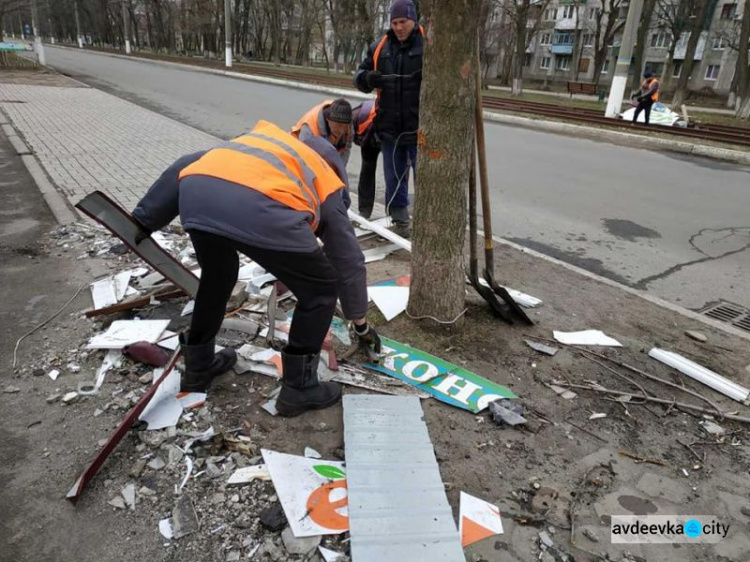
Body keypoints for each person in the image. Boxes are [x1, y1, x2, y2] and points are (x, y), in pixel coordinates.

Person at [131, 120, 381, 417]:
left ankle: (199, 368)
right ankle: (298, 389)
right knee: (320, 290)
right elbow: (348, 261)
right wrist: (359, 322)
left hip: (197, 197)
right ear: (336, 169)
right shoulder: (325, 178)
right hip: (261, 210)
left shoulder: (265, 141)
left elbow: (188, 164)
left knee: (218, 275)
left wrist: (143, 220)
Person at [354, 0, 422, 238]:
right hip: (390, 129)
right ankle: (400, 222)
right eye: (394, 22)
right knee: (394, 179)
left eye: (403, 22)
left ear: (413, 20)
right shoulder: (379, 47)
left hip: (420, 131)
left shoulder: (428, 44)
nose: (399, 27)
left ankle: (426, 226)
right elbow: (359, 76)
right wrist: (368, 79)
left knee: (425, 181)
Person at [292, 98, 353, 165]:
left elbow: (346, 149)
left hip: (326, 150)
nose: (341, 131)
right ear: (328, 119)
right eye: (338, 126)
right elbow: (304, 160)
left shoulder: (348, 124)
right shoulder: (309, 131)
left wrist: (339, 171)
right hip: (297, 153)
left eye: (344, 126)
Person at [352, 99, 380, 219]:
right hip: (369, 135)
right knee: (367, 169)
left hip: (393, 135)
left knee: (395, 173)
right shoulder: (358, 116)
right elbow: (352, 139)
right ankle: (364, 210)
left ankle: (394, 213)